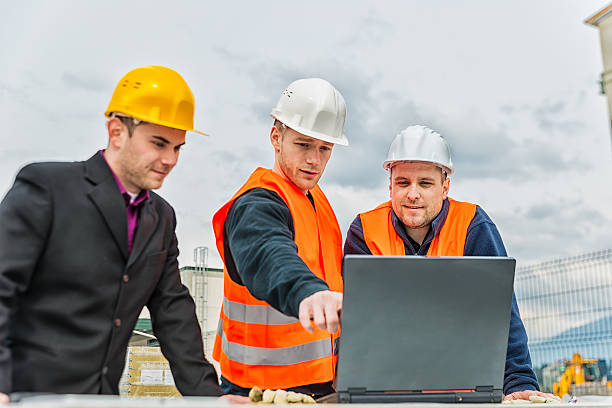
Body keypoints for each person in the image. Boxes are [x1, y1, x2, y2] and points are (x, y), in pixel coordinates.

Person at [0, 66, 230, 401]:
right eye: (159, 143)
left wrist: (212, 398)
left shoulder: (161, 218)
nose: (170, 160)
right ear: (116, 132)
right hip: (25, 395)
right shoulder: (48, 189)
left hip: (101, 399)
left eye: (178, 148)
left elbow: (172, 312)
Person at [344, 125, 559, 402]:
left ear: (445, 187)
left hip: (464, 394)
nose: (412, 194)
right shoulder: (364, 230)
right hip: (386, 393)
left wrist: (518, 381)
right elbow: (357, 323)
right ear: (390, 185)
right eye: (402, 183)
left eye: (425, 183)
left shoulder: (473, 225)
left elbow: (502, 311)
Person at [211, 78, 347, 398]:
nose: (314, 160)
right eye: (303, 144)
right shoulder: (258, 203)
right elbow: (269, 252)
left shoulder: (317, 203)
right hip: (259, 390)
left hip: (317, 386)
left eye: (324, 148)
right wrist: (306, 292)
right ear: (276, 137)